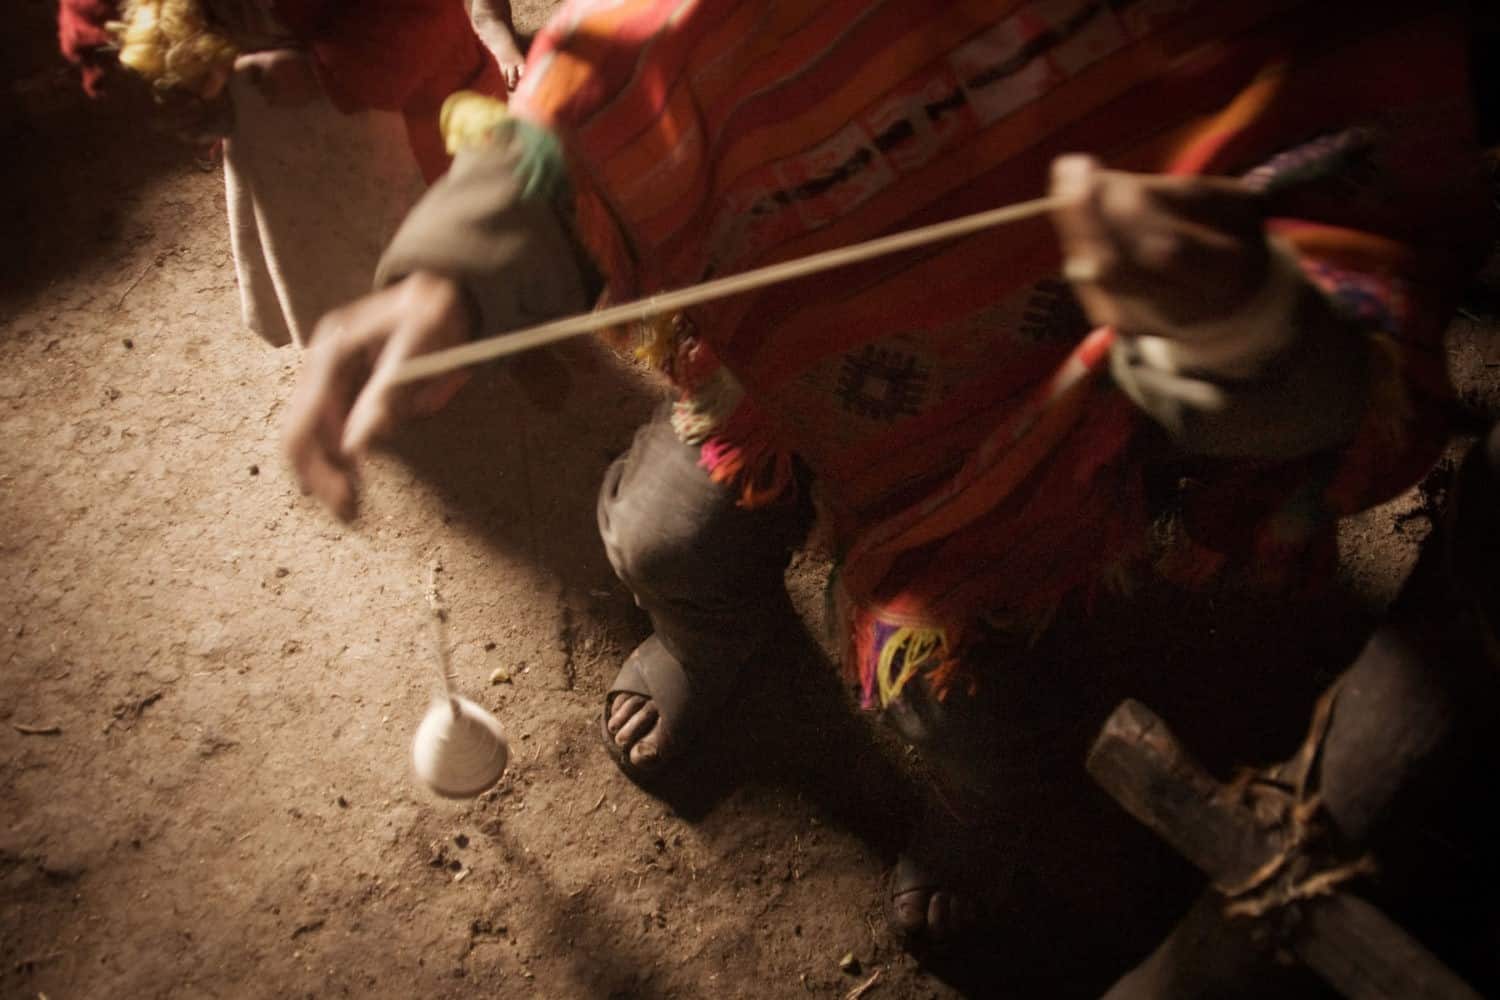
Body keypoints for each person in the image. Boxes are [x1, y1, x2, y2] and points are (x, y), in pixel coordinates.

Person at [280, 0, 1492, 950]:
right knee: (664, 540)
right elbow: (633, 67)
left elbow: (1354, 352)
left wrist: (1226, 323)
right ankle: (712, 643)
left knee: (967, 709)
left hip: (1053, 462)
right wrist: (463, 273)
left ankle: (977, 821)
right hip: (783, 377)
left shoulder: (1315, 34)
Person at [58, 0, 524, 348]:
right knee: (324, 255)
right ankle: (360, 335)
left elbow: (416, 18)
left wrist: (329, 73)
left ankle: (441, 327)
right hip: (269, 130)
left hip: (396, 95)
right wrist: (134, 63)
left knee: (432, 243)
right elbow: (99, 17)